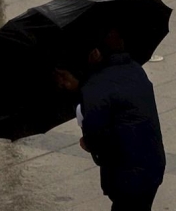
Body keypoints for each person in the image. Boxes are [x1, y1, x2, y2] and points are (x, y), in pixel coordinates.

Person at [55, 30, 166, 211]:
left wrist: (88, 142)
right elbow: (111, 97)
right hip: (151, 166)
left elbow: (95, 135)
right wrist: (81, 89)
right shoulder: (134, 69)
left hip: (127, 175)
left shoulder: (96, 86)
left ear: (95, 53)